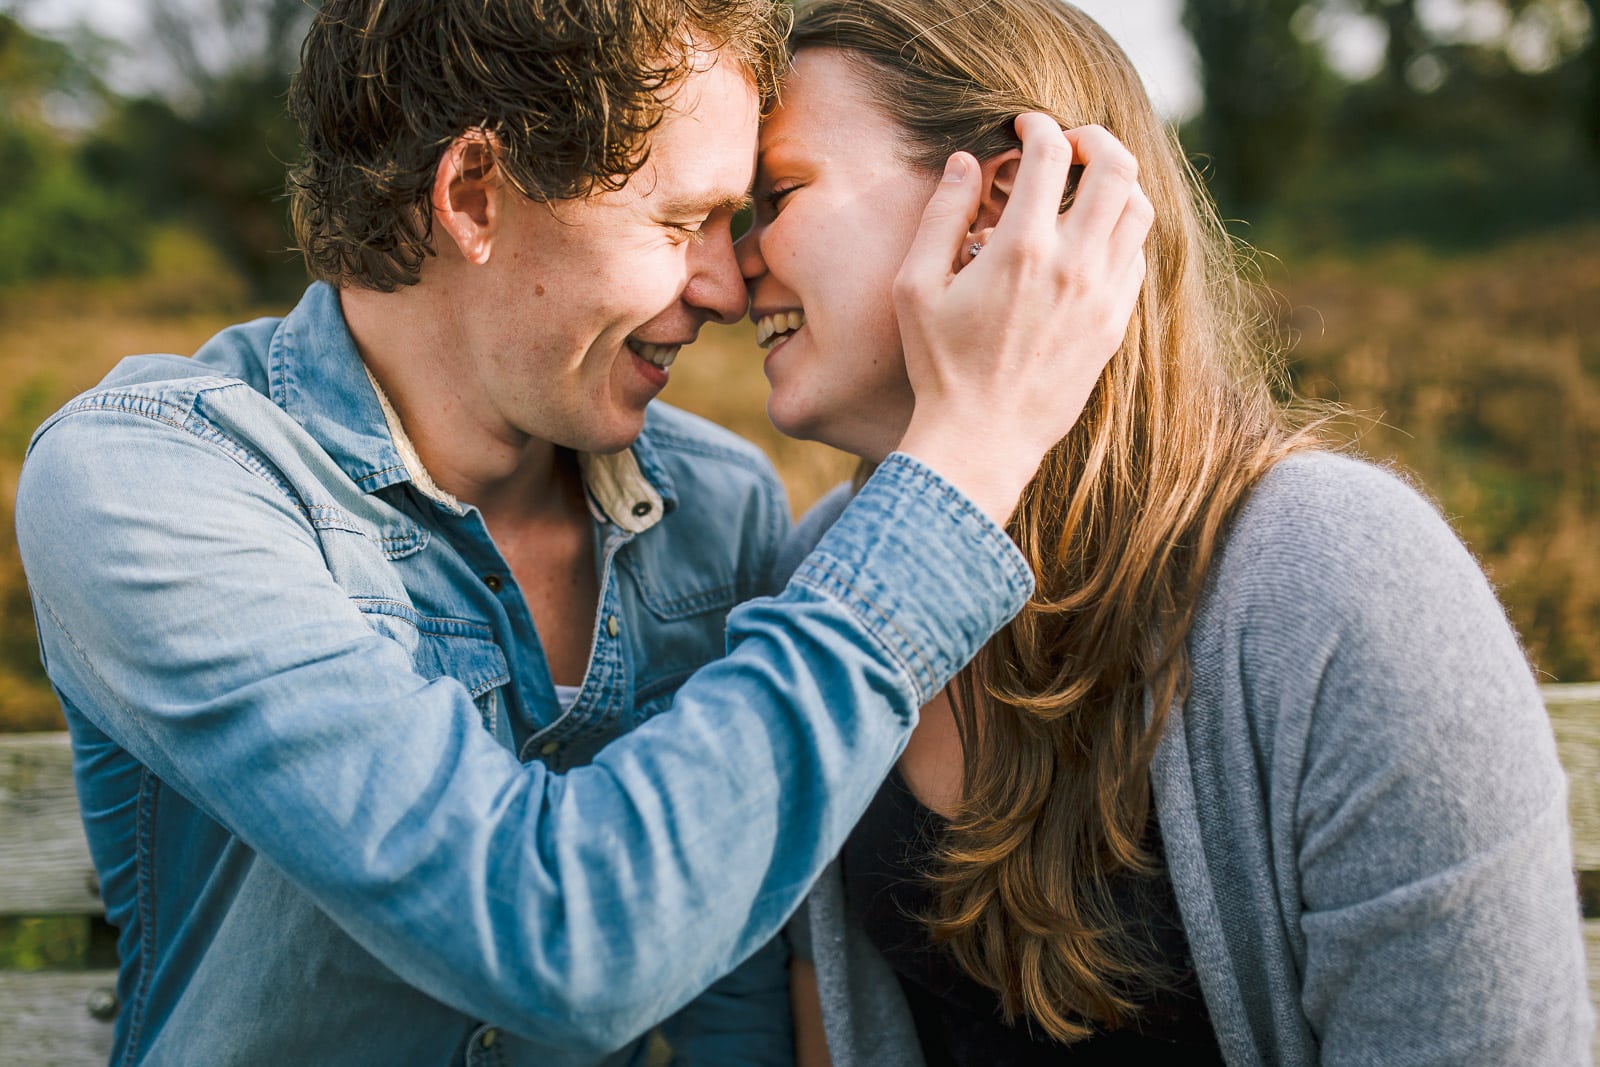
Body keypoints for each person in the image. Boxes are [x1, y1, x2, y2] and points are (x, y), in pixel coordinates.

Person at [11, 1, 1153, 1064]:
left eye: (743, 215)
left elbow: (736, 1003)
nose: (726, 281)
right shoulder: (155, 479)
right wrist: (963, 459)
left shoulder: (718, 505)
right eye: (680, 220)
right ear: (472, 196)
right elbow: (556, 939)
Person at [735, 0, 1593, 1063]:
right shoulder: (819, 573)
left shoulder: (1340, 588)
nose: (732, 272)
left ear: (1005, 201)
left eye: (775, 197)